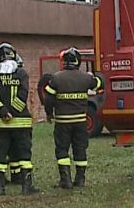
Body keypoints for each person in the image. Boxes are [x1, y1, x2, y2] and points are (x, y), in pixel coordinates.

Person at [43, 47, 103, 189]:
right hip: (81, 121)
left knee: (62, 150)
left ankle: (65, 180)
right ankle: (80, 180)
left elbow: (48, 99)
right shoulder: (86, 78)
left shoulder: (56, 78)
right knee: (80, 149)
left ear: (64, 61)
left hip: (63, 122)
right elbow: (99, 84)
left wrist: (49, 113)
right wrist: (98, 75)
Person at [0, 42, 38, 196]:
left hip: (1, 124)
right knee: (24, 154)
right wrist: (12, 112)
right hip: (20, 123)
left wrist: (3, 111)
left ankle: (0, 188)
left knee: (0, 155)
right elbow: (23, 94)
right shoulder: (21, 74)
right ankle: (26, 186)